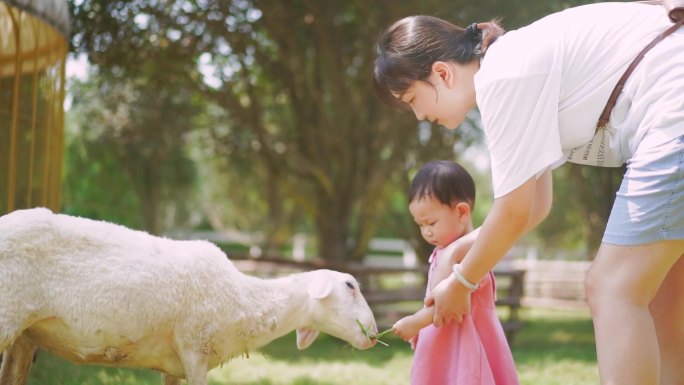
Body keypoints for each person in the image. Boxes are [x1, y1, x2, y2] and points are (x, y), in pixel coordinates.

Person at [373, 3, 684, 385]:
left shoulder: (501, 79)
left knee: (611, 287)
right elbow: (536, 206)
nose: (419, 116)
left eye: (412, 100)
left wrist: (462, 281)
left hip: (673, 114)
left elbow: (516, 211)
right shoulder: (510, 65)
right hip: (671, 109)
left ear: (441, 73)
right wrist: (458, 252)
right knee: (658, 296)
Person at [391, 160, 519, 385]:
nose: (426, 232)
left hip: (466, 343)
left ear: (461, 212)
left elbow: (447, 303)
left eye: (431, 222)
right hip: (444, 341)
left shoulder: (472, 255)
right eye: (420, 225)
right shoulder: (444, 252)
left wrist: (415, 321)